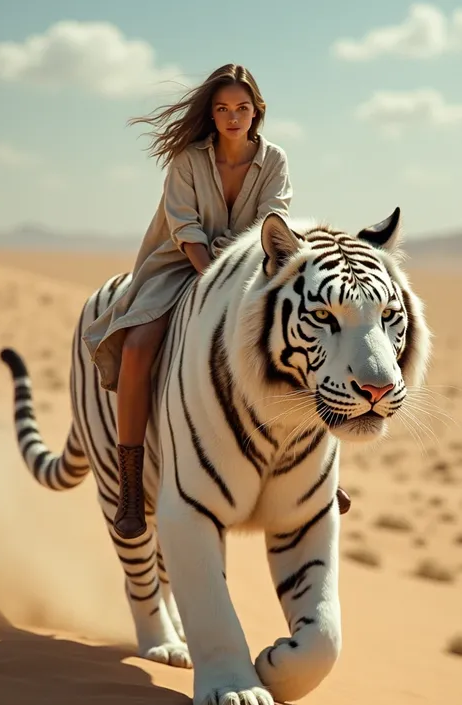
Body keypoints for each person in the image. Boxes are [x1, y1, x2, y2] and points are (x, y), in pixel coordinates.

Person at [83, 63, 351, 540]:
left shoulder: (275, 161)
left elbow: (274, 222)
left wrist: (236, 276)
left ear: (256, 113)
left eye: (242, 109)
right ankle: (129, 483)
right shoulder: (187, 160)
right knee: (141, 347)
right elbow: (184, 228)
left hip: (249, 269)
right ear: (212, 113)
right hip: (179, 265)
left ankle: (319, 471)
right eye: (223, 109)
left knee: (302, 333)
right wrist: (210, 276)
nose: (233, 117)